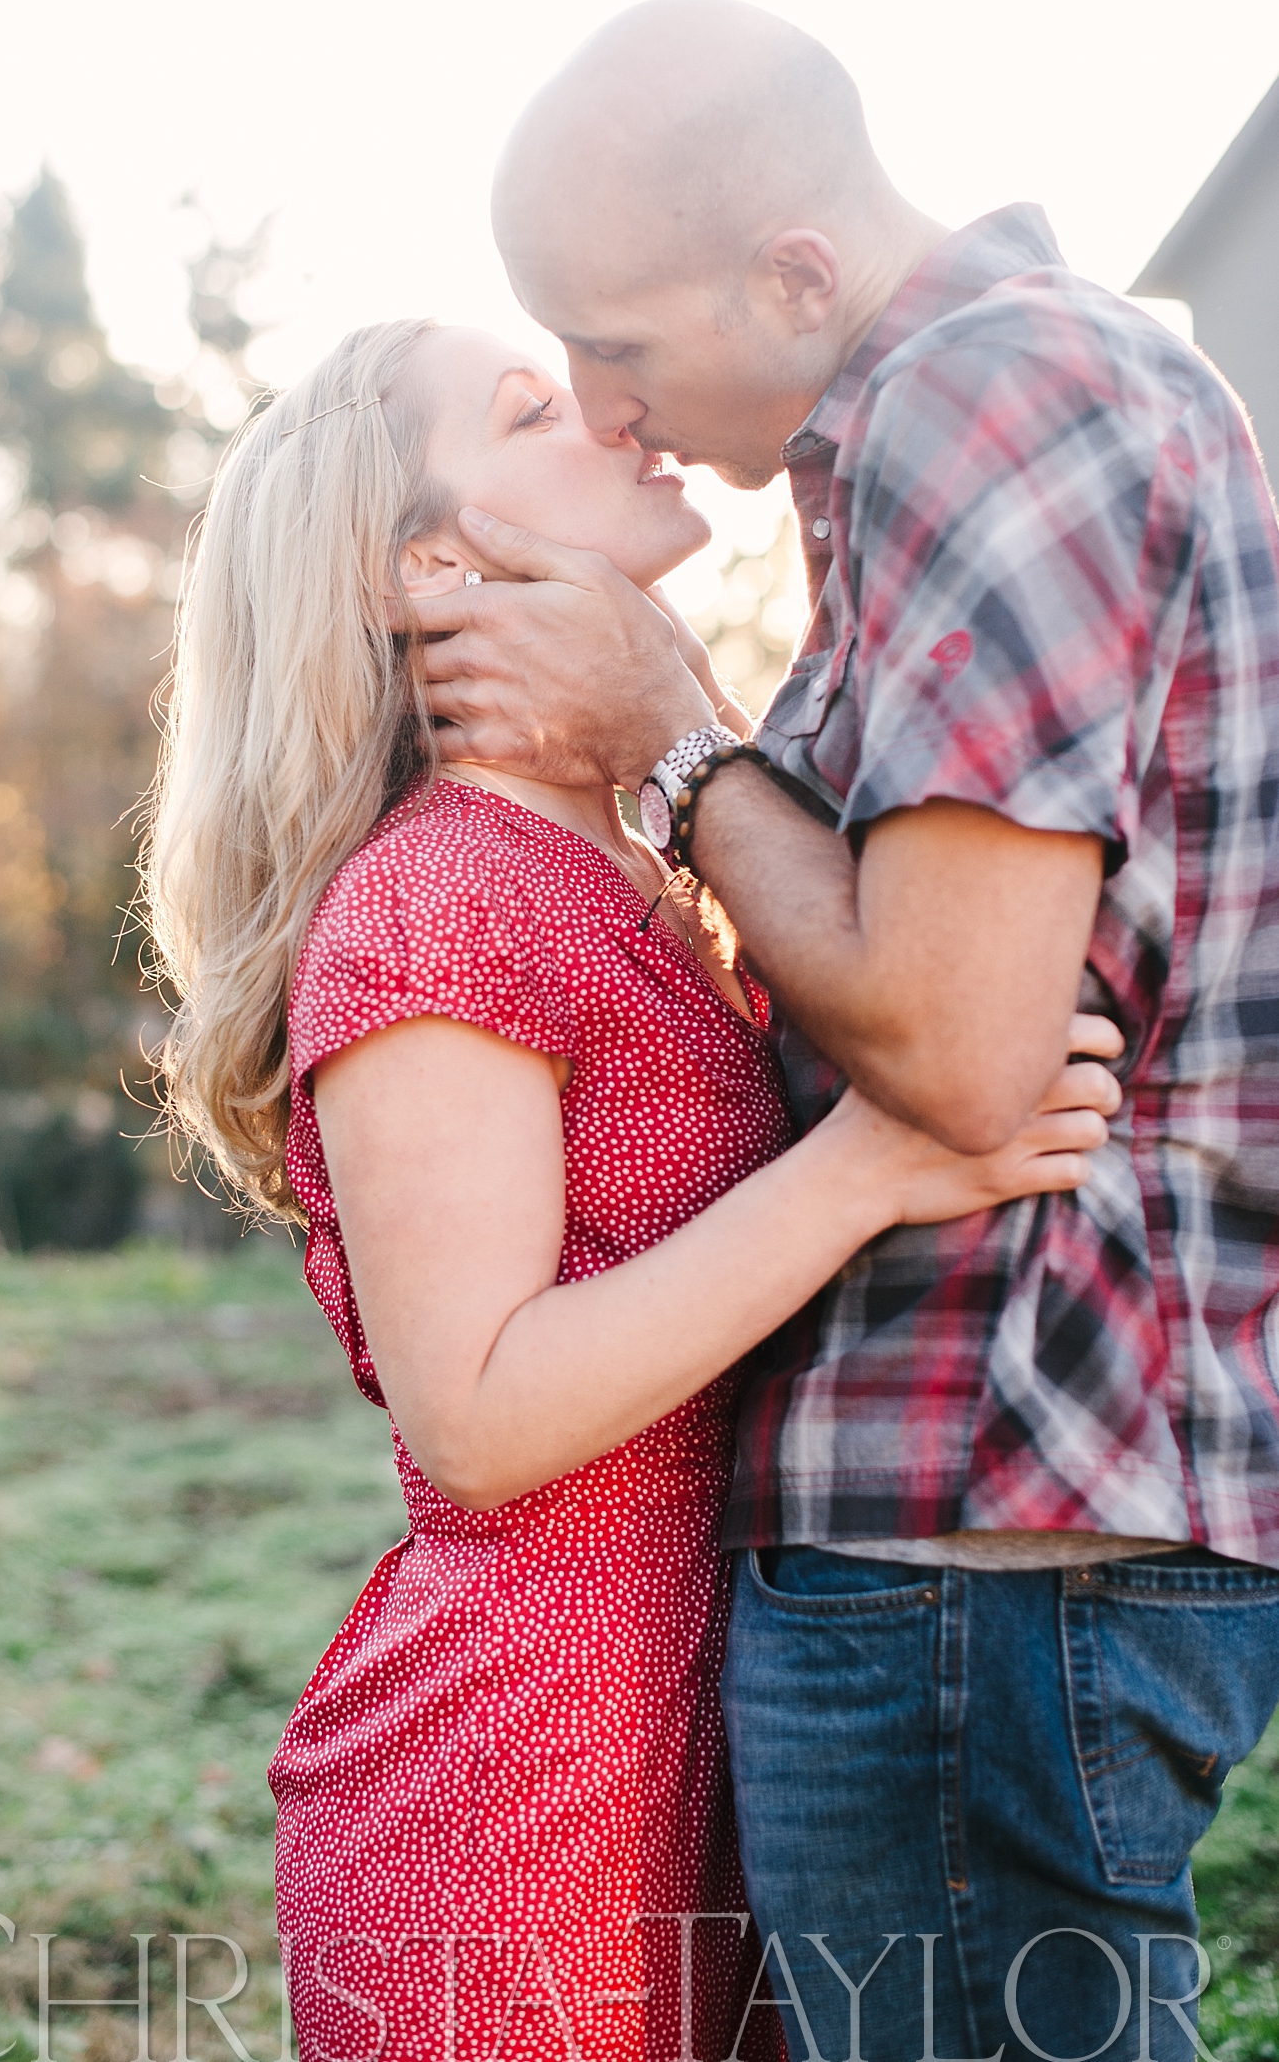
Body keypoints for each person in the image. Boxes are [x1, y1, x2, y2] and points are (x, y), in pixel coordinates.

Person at [403, 0, 1279, 2060]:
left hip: (986, 1509)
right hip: (984, 1531)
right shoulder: (976, 418)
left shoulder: (995, 394)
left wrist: (680, 742)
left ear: (793, 272)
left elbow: (966, 1053)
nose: (616, 417)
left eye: (614, 347)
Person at [141, 315, 1120, 2062]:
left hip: (733, 1713)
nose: (612, 417)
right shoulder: (441, 900)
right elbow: (480, 1416)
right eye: (535, 411)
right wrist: (876, 1160)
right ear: (430, 562)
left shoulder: (662, 869)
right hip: (529, 1781)